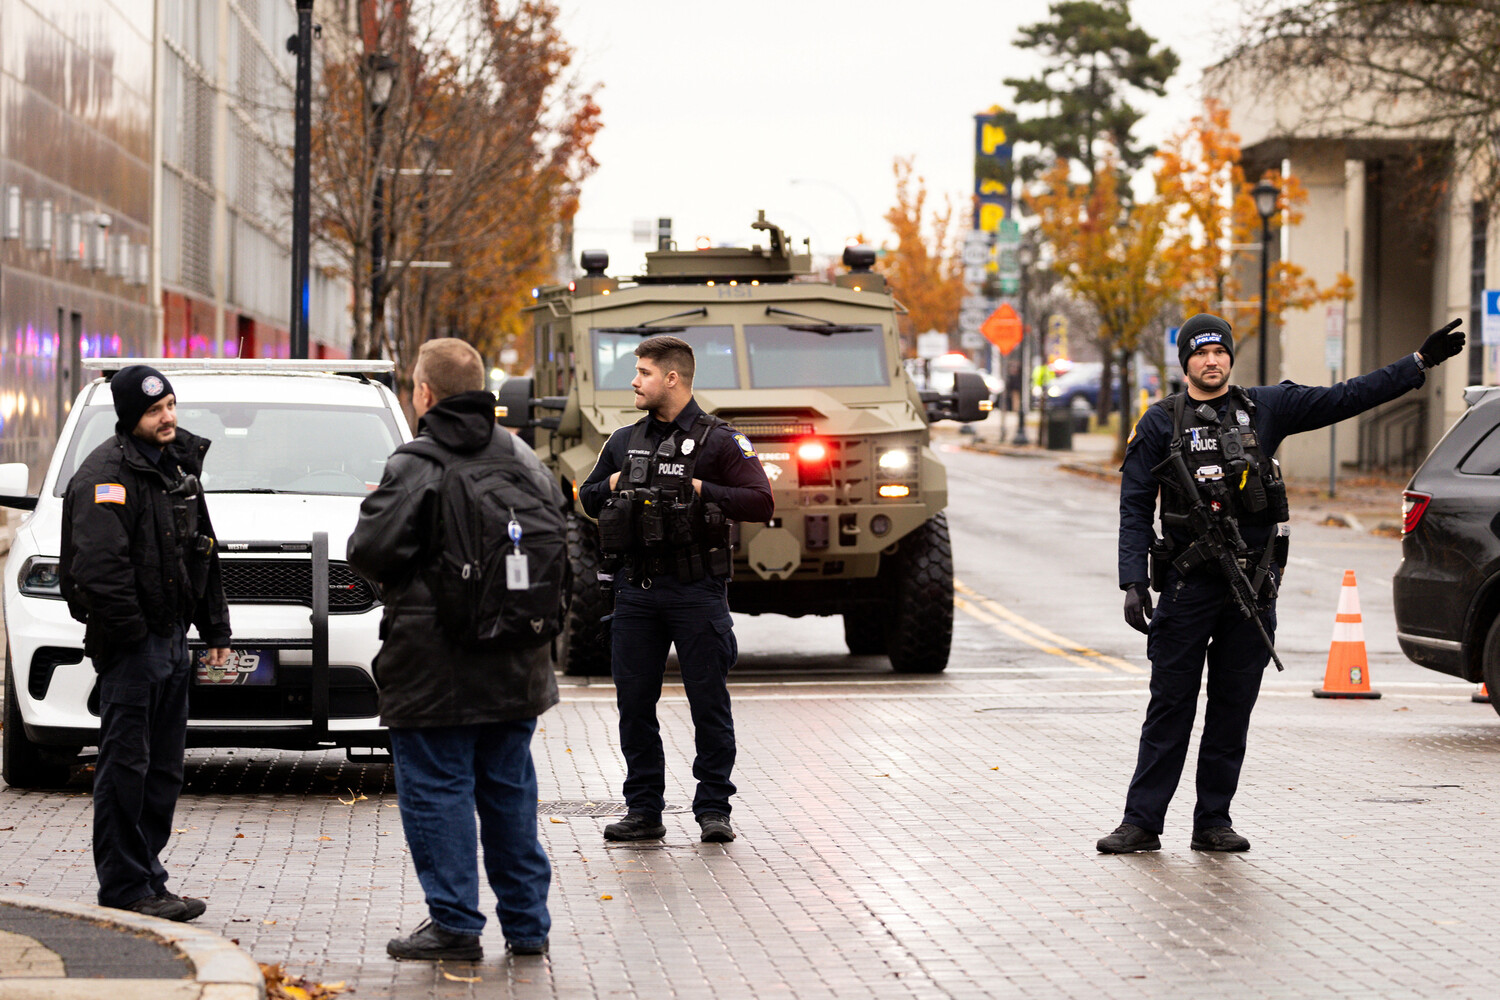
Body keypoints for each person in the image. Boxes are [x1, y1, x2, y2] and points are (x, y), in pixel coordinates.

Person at [1098, 314, 1466, 855]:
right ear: (1186, 362)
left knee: (1232, 708)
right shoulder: (1160, 423)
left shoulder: (1264, 408)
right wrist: (1134, 580)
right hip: (1186, 586)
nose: (1211, 361)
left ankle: (1213, 822)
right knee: (1169, 706)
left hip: (1251, 587)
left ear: (1229, 357)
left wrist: (1418, 364)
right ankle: (1142, 822)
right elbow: (1134, 507)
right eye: (1200, 353)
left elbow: (1345, 397)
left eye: (1219, 351)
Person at [348, 338, 564, 961]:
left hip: (433, 666)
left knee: (437, 792)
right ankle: (528, 927)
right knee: (509, 791)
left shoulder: (417, 464)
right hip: (518, 664)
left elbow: (370, 551)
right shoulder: (524, 458)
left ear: (424, 392)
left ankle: (454, 926)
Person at [578, 335, 774, 844]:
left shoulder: (722, 441)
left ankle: (714, 808)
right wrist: (618, 483)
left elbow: (760, 501)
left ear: (672, 378)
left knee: (708, 702)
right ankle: (644, 809)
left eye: (642, 372)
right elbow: (588, 497)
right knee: (634, 704)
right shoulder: (623, 440)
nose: (634, 381)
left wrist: (703, 489)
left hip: (695, 590)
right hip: (637, 592)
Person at [59, 364, 231, 921]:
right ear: (131, 416)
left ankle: (148, 878)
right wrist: (134, 638)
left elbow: (203, 550)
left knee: (162, 772)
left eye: (172, 406)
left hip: (172, 645)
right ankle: (125, 887)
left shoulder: (177, 469)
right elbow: (98, 571)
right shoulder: (105, 476)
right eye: (156, 410)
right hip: (134, 649)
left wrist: (216, 631)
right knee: (126, 769)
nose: (168, 418)